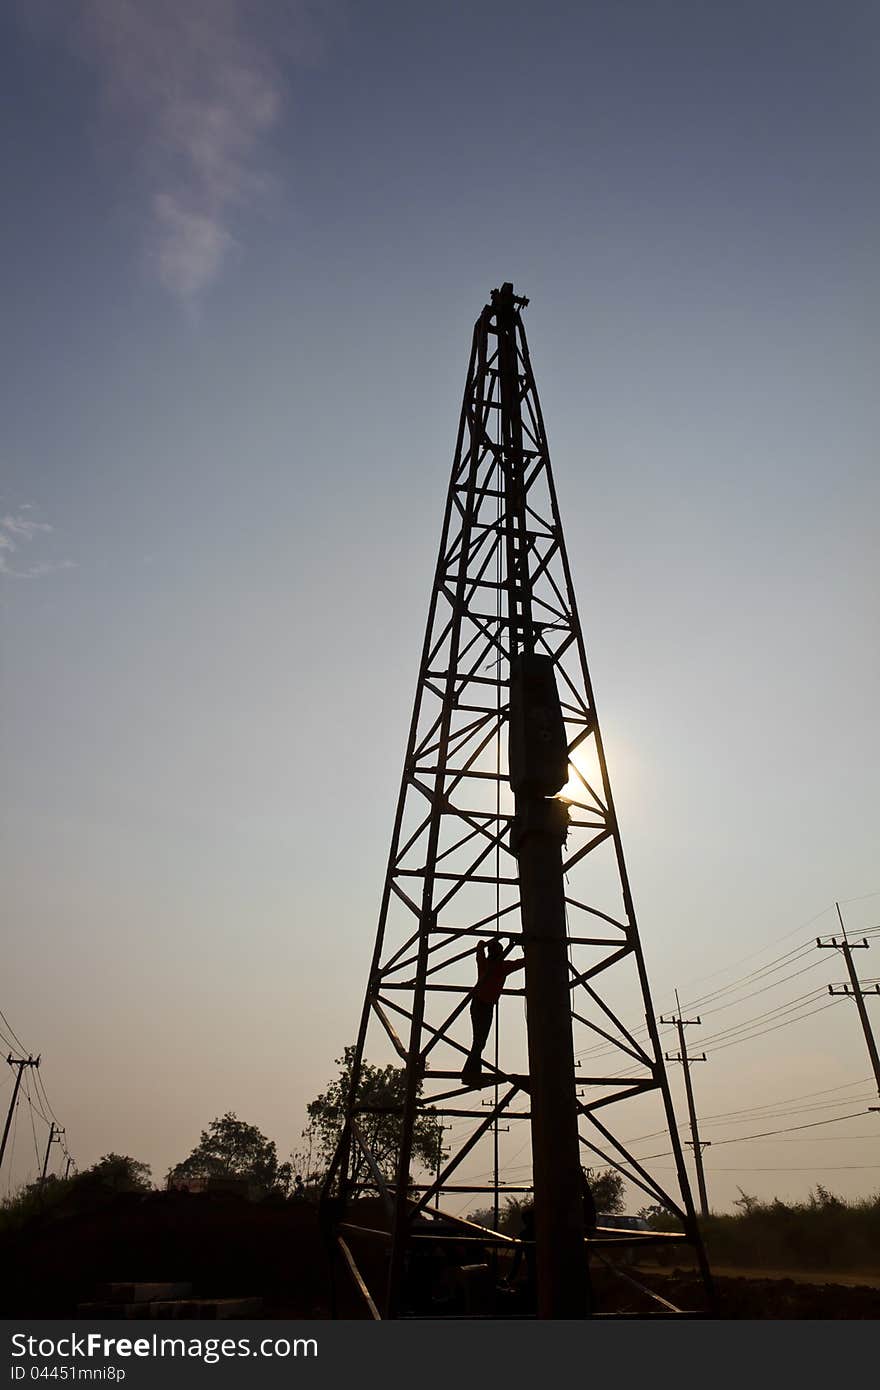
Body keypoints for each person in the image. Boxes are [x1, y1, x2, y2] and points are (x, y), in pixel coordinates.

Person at [460, 938, 524, 1083]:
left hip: (480, 1005)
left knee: (479, 1042)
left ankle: (471, 1075)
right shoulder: (501, 966)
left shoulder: (485, 964)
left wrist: (486, 943)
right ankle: (470, 1075)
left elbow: (479, 947)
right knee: (479, 1042)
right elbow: (521, 963)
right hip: (484, 1006)